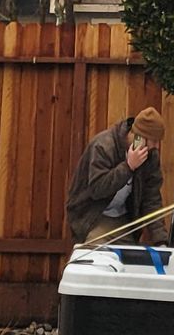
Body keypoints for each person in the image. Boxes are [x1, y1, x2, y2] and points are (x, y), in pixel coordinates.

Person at [65, 104, 167, 245]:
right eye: (153, 141)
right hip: (93, 215)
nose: (156, 146)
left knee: (130, 260)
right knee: (95, 255)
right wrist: (129, 166)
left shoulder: (150, 157)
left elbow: (151, 199)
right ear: (139, 138)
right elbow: (97, 189)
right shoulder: (103, 146)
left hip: (123, 218)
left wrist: (160, 239)